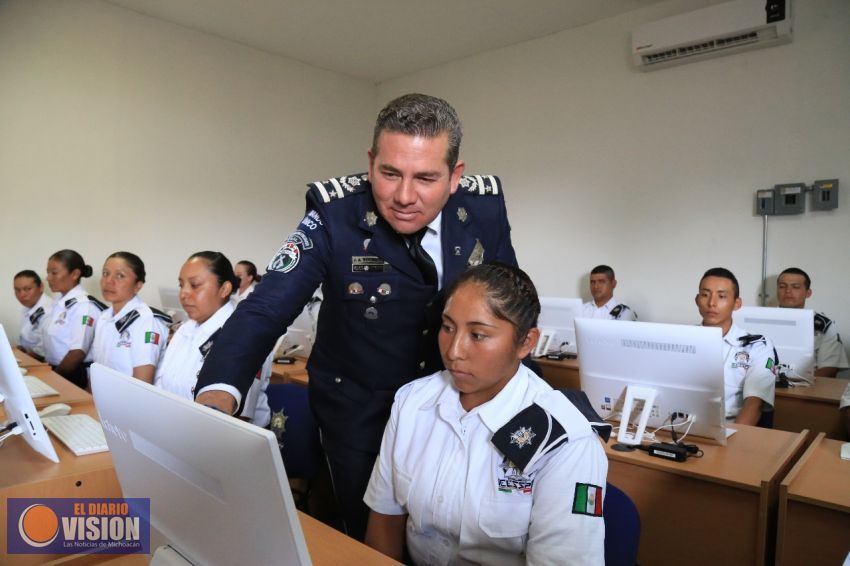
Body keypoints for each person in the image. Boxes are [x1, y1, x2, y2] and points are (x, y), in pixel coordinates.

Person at [195, 93, 518, 540]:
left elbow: (508, 305)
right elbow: (267, 307)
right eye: (389, 173)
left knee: (448, 533)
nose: (405, 196)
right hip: (359, 411)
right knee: (368, 537)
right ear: (370, 163)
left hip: (456, 406)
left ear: (455, 176)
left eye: (425, 178)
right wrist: (217, 396)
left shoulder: (484, 209)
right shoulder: (334, 212)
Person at [364, 263, 607, 565]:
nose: (454, 350)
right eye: (448, 327)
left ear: (526, 343)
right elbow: (385, 516)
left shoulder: (566, 440)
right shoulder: (412, 401)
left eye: (477, 335)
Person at [154, 252, 270, 427]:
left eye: (194, 285)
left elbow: (236, 421)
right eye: (181, 285)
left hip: (225, 443)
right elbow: (161, 387)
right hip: (172, 430)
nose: (184, 293)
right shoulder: (185, 329)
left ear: (224, 289)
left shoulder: (244, 336)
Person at [696, 267, 777, 426]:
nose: (711, 303)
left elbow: (755, 403)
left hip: (730, 428)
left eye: (721, 296)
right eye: (705, 295)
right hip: (682, 426)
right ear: (697, 300)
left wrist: (730, 441)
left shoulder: (757, 345)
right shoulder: (682, 338)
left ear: (737, 303)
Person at [90, 252, 171, 383]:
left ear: (138, 285)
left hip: (129, 401)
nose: (108, 281)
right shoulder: (104, 317)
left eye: (120, 276)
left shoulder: (146, 321)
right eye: (105, 273)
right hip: (102, 396)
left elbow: (142, 382)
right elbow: (96, 368)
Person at [42, 250, 106, 388]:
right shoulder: (59, 302)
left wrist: (53, 379)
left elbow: (77, 353)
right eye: (48, 272)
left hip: (74, 375)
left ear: (75, 274)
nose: (48, 278)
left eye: (54, 273)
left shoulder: (84, 306)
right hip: (56, 370)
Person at [777, 267, 849, 377]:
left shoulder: (823, 325)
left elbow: (830, 367)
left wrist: (800, 385)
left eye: (795, 287)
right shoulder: (760, 319)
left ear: (808, 293)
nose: (787, 291)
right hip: (764, 384)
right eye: (782, 286)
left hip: (806, 387)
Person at [13, 270, 54, 359]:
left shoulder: (49, 310)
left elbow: (43, 351)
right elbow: (23, 343)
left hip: (47, 365)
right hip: (31, 360)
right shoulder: (28, 307)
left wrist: (20, 360)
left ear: (41, 287)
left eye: (27, 289)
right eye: (17, 290)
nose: (22, 294)